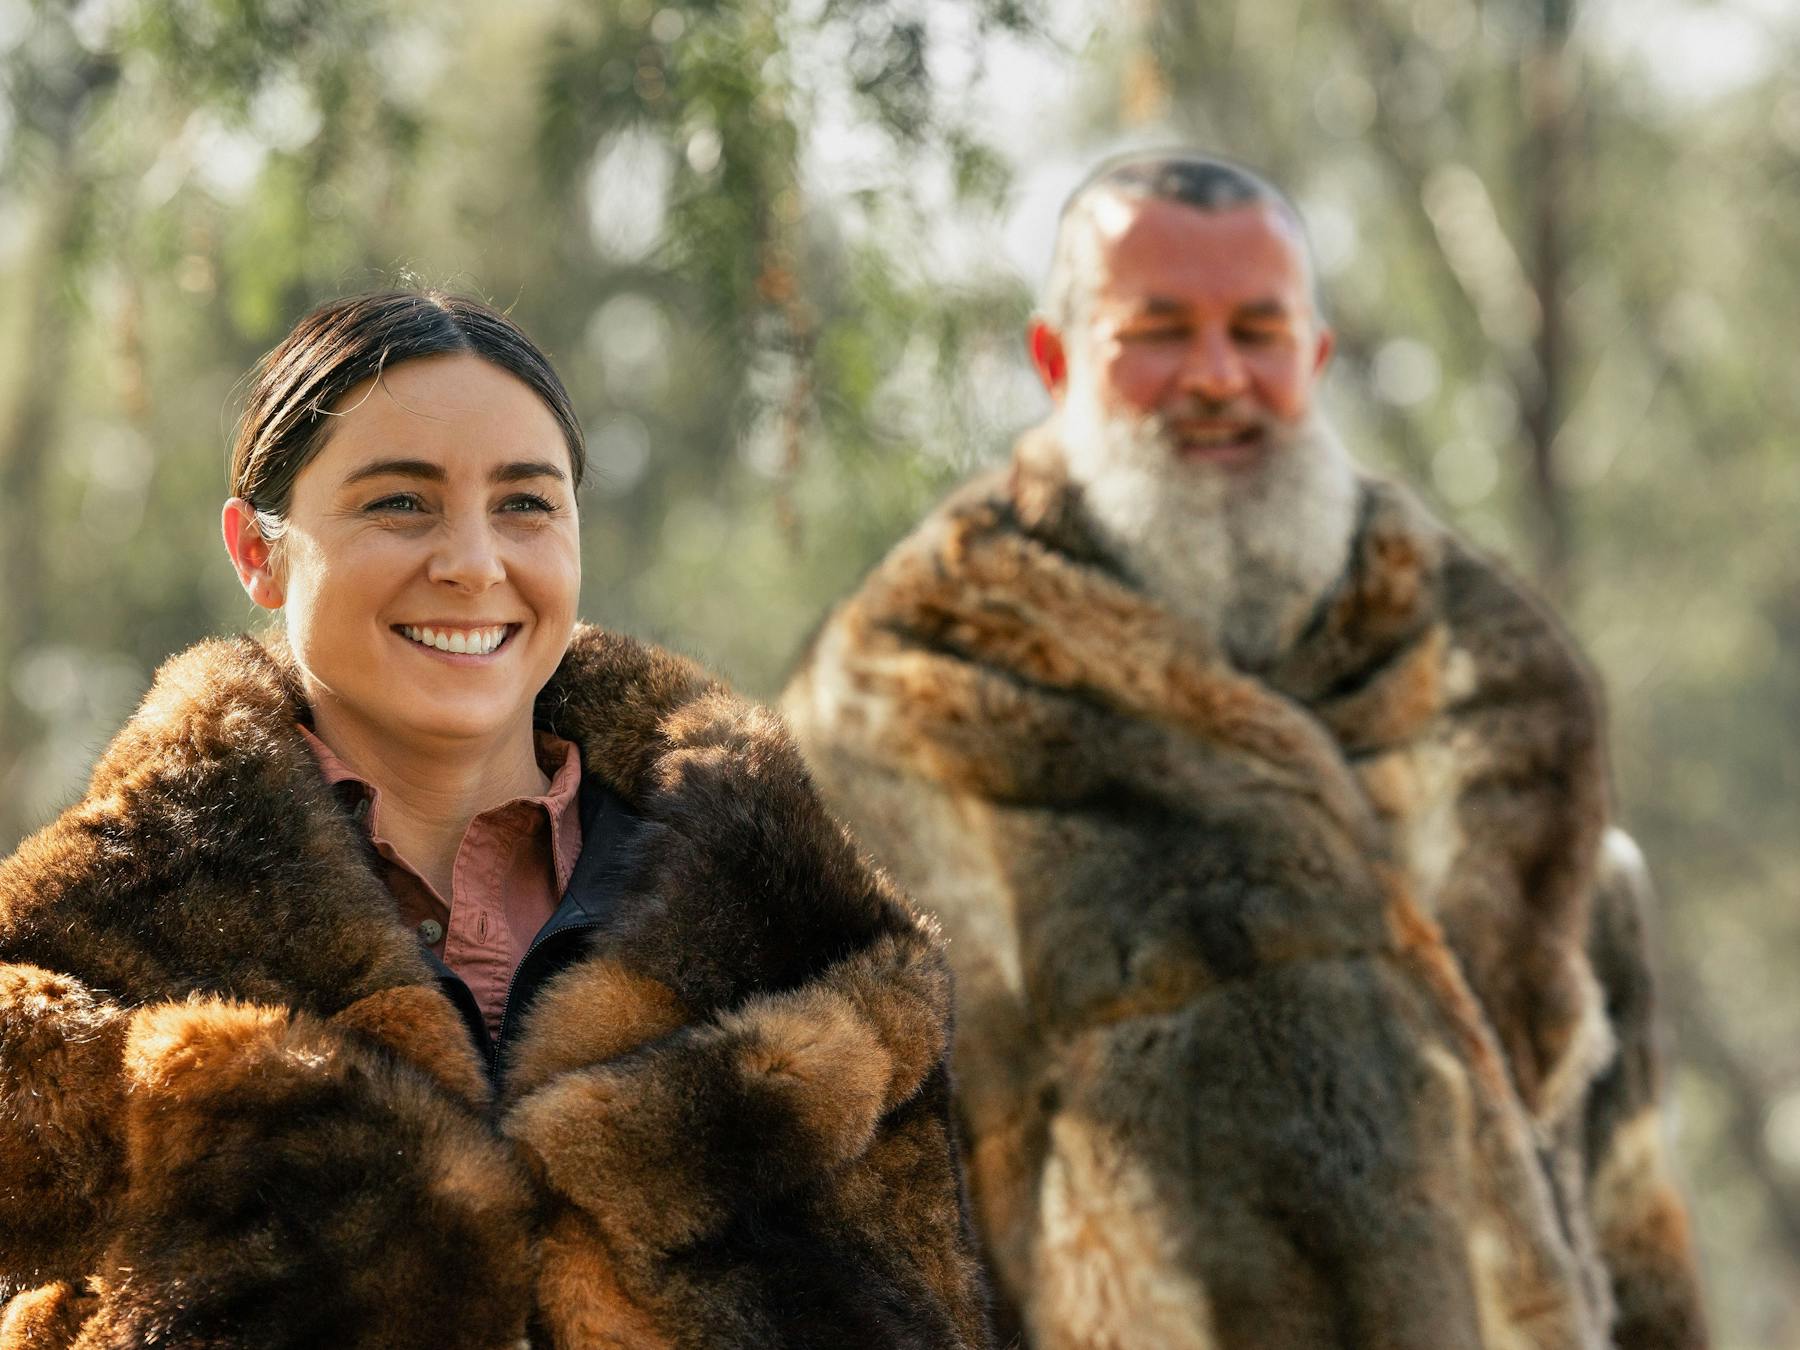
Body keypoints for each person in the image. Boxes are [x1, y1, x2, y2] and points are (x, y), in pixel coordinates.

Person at [783, 154, 1706, 1348]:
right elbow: (846, 1219)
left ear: (1314, 361)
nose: (1216, 379)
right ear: (1057, 361)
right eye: (1157, 332)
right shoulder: (904, 700)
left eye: (1258, 333)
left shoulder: (1499, 696)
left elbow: (1617, 1197)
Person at [0, 292, 991, 1349]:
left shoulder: (806, 943)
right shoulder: (85, 961)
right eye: (399, 505)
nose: (474, 562)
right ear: (257, 551)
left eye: (525, 504)